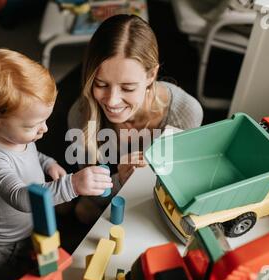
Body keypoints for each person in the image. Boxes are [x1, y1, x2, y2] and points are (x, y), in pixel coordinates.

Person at [0, 49, 112, 280]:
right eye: (33, 125)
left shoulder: (14, 135)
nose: (44, 129)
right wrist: (72, 185)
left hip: (29, 228)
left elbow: (32, 155)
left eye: (44, 120)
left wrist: (48, 163)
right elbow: (21, 198)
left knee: (33, 265)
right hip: (2, 243)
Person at [68, 14, 204, 224]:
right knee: (84, 212)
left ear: (151, 76)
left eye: (127, 87)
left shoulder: (185, 112)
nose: (112, 101)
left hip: (160, 205)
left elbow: (186, 185)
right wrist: (120, 181)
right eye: (101, 84)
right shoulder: (80, 115)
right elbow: (92, 197)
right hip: (111, 200)